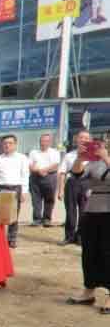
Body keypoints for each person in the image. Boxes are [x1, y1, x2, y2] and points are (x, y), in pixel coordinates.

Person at [67, 142, 110, 313]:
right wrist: (80, 157)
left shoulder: (104, 159)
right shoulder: (94, 162)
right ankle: (89, 290)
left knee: (108, 251)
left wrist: (106, 157)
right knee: (90, 251)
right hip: (92, 209)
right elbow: (77, 175)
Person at [0, 135, 30, 248]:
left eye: (10, 143)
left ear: (15, 144)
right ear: (2, 145)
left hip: (15, 188)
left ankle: (11, 239)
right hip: (0, 187)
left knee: (14, 215)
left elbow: (25, 175)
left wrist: (24, 191)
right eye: (5, 143)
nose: (7, 145)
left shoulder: (22, 158)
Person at [59, 130, 93, 245]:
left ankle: (81, 237)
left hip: (87, 184)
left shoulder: (95, 156)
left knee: (85, 212)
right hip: (72, 184)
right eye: (81, 137)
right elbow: (62, 173)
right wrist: (60, 190)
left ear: (90, 140)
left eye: (86, 138)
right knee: (70, 211)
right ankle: (69, 236)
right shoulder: (69, 155)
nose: (84, 140)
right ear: (76, 140)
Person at [28, 133, 61, 227]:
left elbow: (55, 165)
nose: (43, 143)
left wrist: (44, 170)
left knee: (49, 199)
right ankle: (37, 219)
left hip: (50, 177)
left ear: (50, 142)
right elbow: (30, 165)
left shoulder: (54, 152)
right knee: (36, 199)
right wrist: (39, 170)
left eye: (46, 141)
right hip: (35, 177)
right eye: (42, 141)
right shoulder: (33, 152)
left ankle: (47, 219)